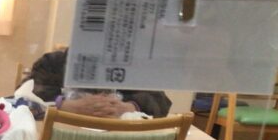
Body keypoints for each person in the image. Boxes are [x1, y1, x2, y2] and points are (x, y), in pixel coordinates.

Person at [27, 49, 172, 118]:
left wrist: (128, 108)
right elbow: (23, 98)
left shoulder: (132, 67)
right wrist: (63, 105)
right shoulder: (52, 63)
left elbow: (161, 102)